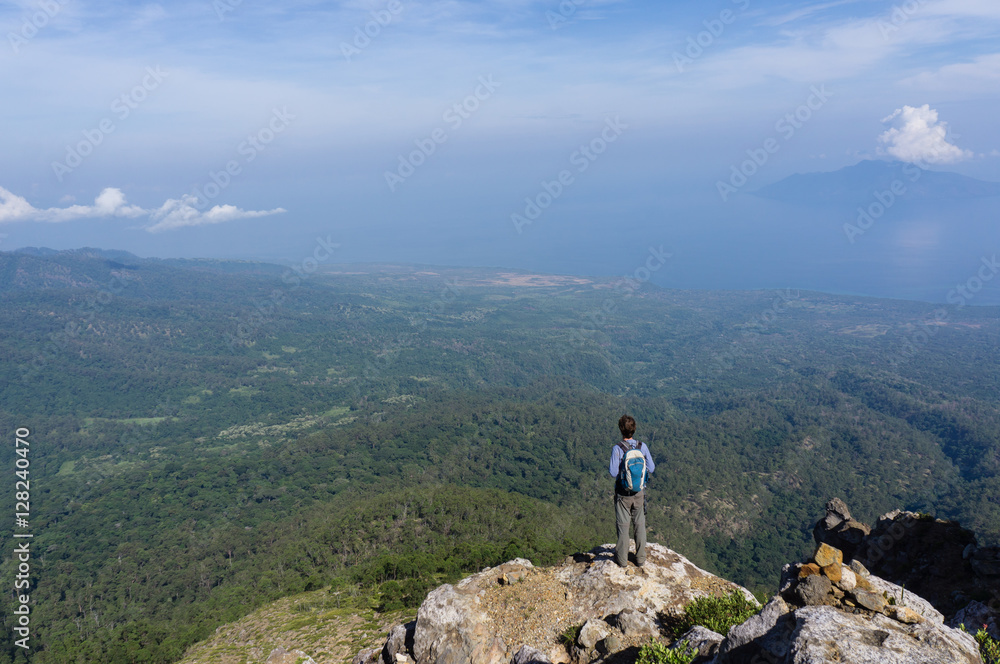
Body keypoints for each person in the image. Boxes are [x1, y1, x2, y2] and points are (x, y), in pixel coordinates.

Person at [609, 414, 655, 567]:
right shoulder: (642, 446)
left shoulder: (618, 448)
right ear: (634, 429)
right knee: (640, 525)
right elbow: (652, 468)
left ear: (621, 429)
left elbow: (613, 472)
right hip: (639, 493)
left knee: (623, 526)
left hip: (623, 494)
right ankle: (641, 559)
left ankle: (622, 561)